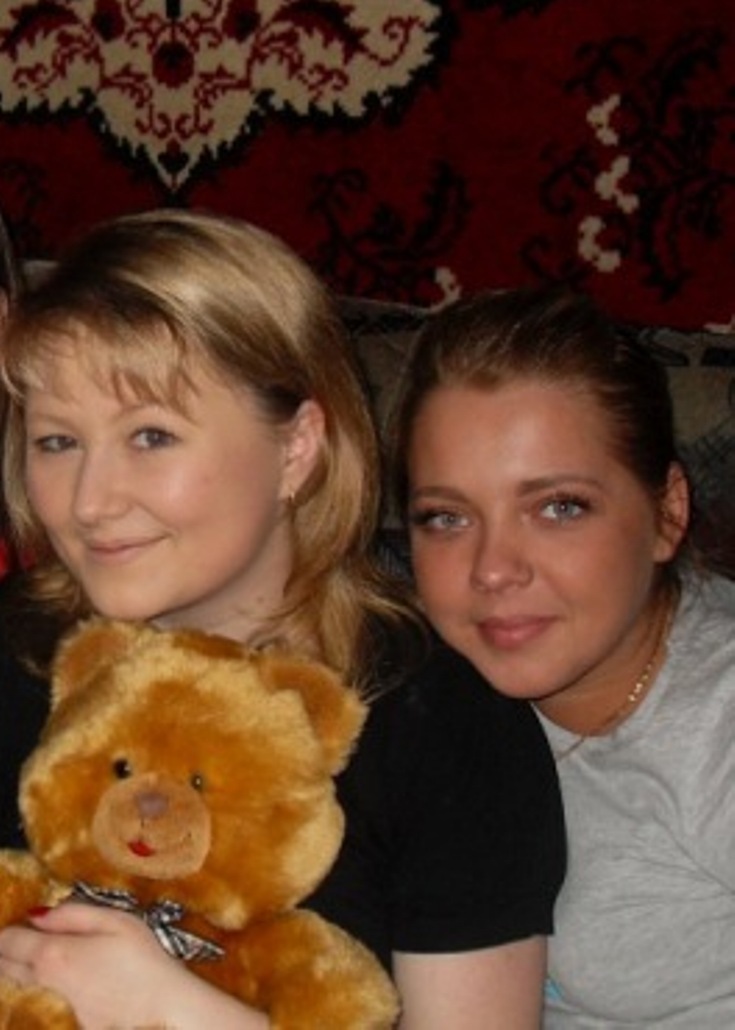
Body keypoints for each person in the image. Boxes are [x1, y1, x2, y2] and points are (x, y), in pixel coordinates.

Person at [0, 211, 565, 1029]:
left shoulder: (441, 724)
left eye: (151, 436)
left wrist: (169, 1009)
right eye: (57, 443)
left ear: (296, 447)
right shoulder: (17, 654)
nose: (89, 502)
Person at [393, 284, 735, 1028]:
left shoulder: (717, 726)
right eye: (446, 518)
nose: (493, 570)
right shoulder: (413, 697)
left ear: (667, 513)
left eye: (558, 507)